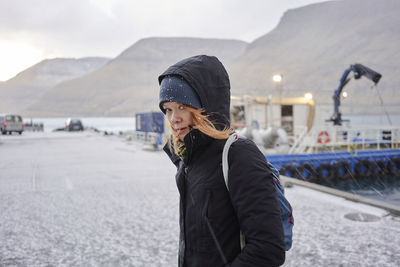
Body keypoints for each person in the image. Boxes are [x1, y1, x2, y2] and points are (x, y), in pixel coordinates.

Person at [158, 55, 285, 267]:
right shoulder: (188, 160)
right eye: (168, 109)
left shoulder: (239, 155)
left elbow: (268, 248)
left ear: (205, 107)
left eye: (182, 107)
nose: (173, 118)